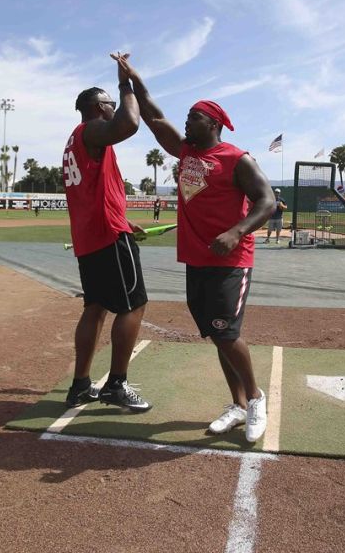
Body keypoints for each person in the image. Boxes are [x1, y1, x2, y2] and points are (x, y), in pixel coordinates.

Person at [118, 52, 275, 443]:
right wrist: (132, 78)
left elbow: (267, 201)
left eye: (194, 116)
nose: (186, 121)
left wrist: (237, 232)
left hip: (231, 259)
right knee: (216, 333)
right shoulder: (186, 151)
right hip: (197, 258)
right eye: (187, 116)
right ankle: (237, 405)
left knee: (225, 332)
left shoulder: (237, 158)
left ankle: (255, 399)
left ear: (214, 123)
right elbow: (154, 118)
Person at [61, 59, 152, 412]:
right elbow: (129, 122)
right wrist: (126, 85)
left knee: (95, 308)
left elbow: (94, 193)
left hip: (91, 236)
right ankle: (116, 385)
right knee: (134, 305)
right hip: (107, 236)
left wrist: (125, 220)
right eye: (110, 104)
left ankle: (81, 386)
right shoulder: (92, 131)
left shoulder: (76, 141)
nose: (114, 108)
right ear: (100, 108)